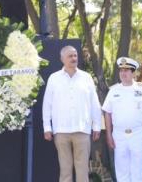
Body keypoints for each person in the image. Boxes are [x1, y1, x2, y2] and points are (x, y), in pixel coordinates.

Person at [42, 45, 102, 182]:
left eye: (75, 55)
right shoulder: (54, 78)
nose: (74, 58)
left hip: (82, 130)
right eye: (70, 56)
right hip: (61, 131)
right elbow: (47, 105)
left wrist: (97, 125)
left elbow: (94, 103)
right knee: (65, 170)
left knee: (82, 170)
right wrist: (47, 127)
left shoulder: (86, 77)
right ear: (62, 59)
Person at [102, 57, 142, 182]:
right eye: (121, 70)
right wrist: (109, 134)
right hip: (119, 134)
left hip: (138, 134)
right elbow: (107, 113)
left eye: (126, 70)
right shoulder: (113, 90)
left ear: (133, 73)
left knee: (139, 169)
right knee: (122, 170)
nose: (123, 73)